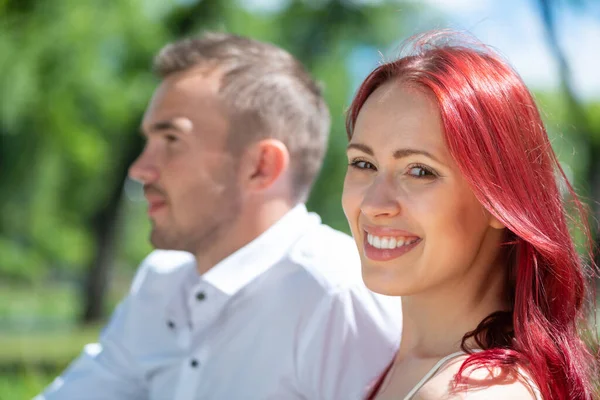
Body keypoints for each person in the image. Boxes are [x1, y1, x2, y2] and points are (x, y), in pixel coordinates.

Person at [36, 32, 402, 400]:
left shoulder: (340, 298)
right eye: (148, 141)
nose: (140, 169)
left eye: (171, 141)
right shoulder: (159, 281)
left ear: (261, 166)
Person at [342, 30, 599, 400]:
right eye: (363, 163)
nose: (372, 203)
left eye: (419, 170)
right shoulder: (408, 364)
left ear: (499, 199)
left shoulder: (475, 393)